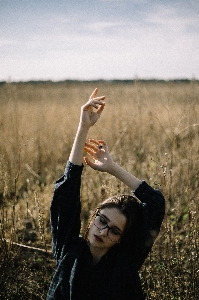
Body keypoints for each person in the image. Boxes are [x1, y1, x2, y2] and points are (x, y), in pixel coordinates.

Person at [46, 88, 165, 300]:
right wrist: (83, 127)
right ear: (93, 218)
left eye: (114, 231)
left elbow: (155, 203)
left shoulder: (126, 262)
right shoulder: (69, 251)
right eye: (102, 220)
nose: (102, 232)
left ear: (122, 239)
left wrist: (112, 168)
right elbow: (65, 196)